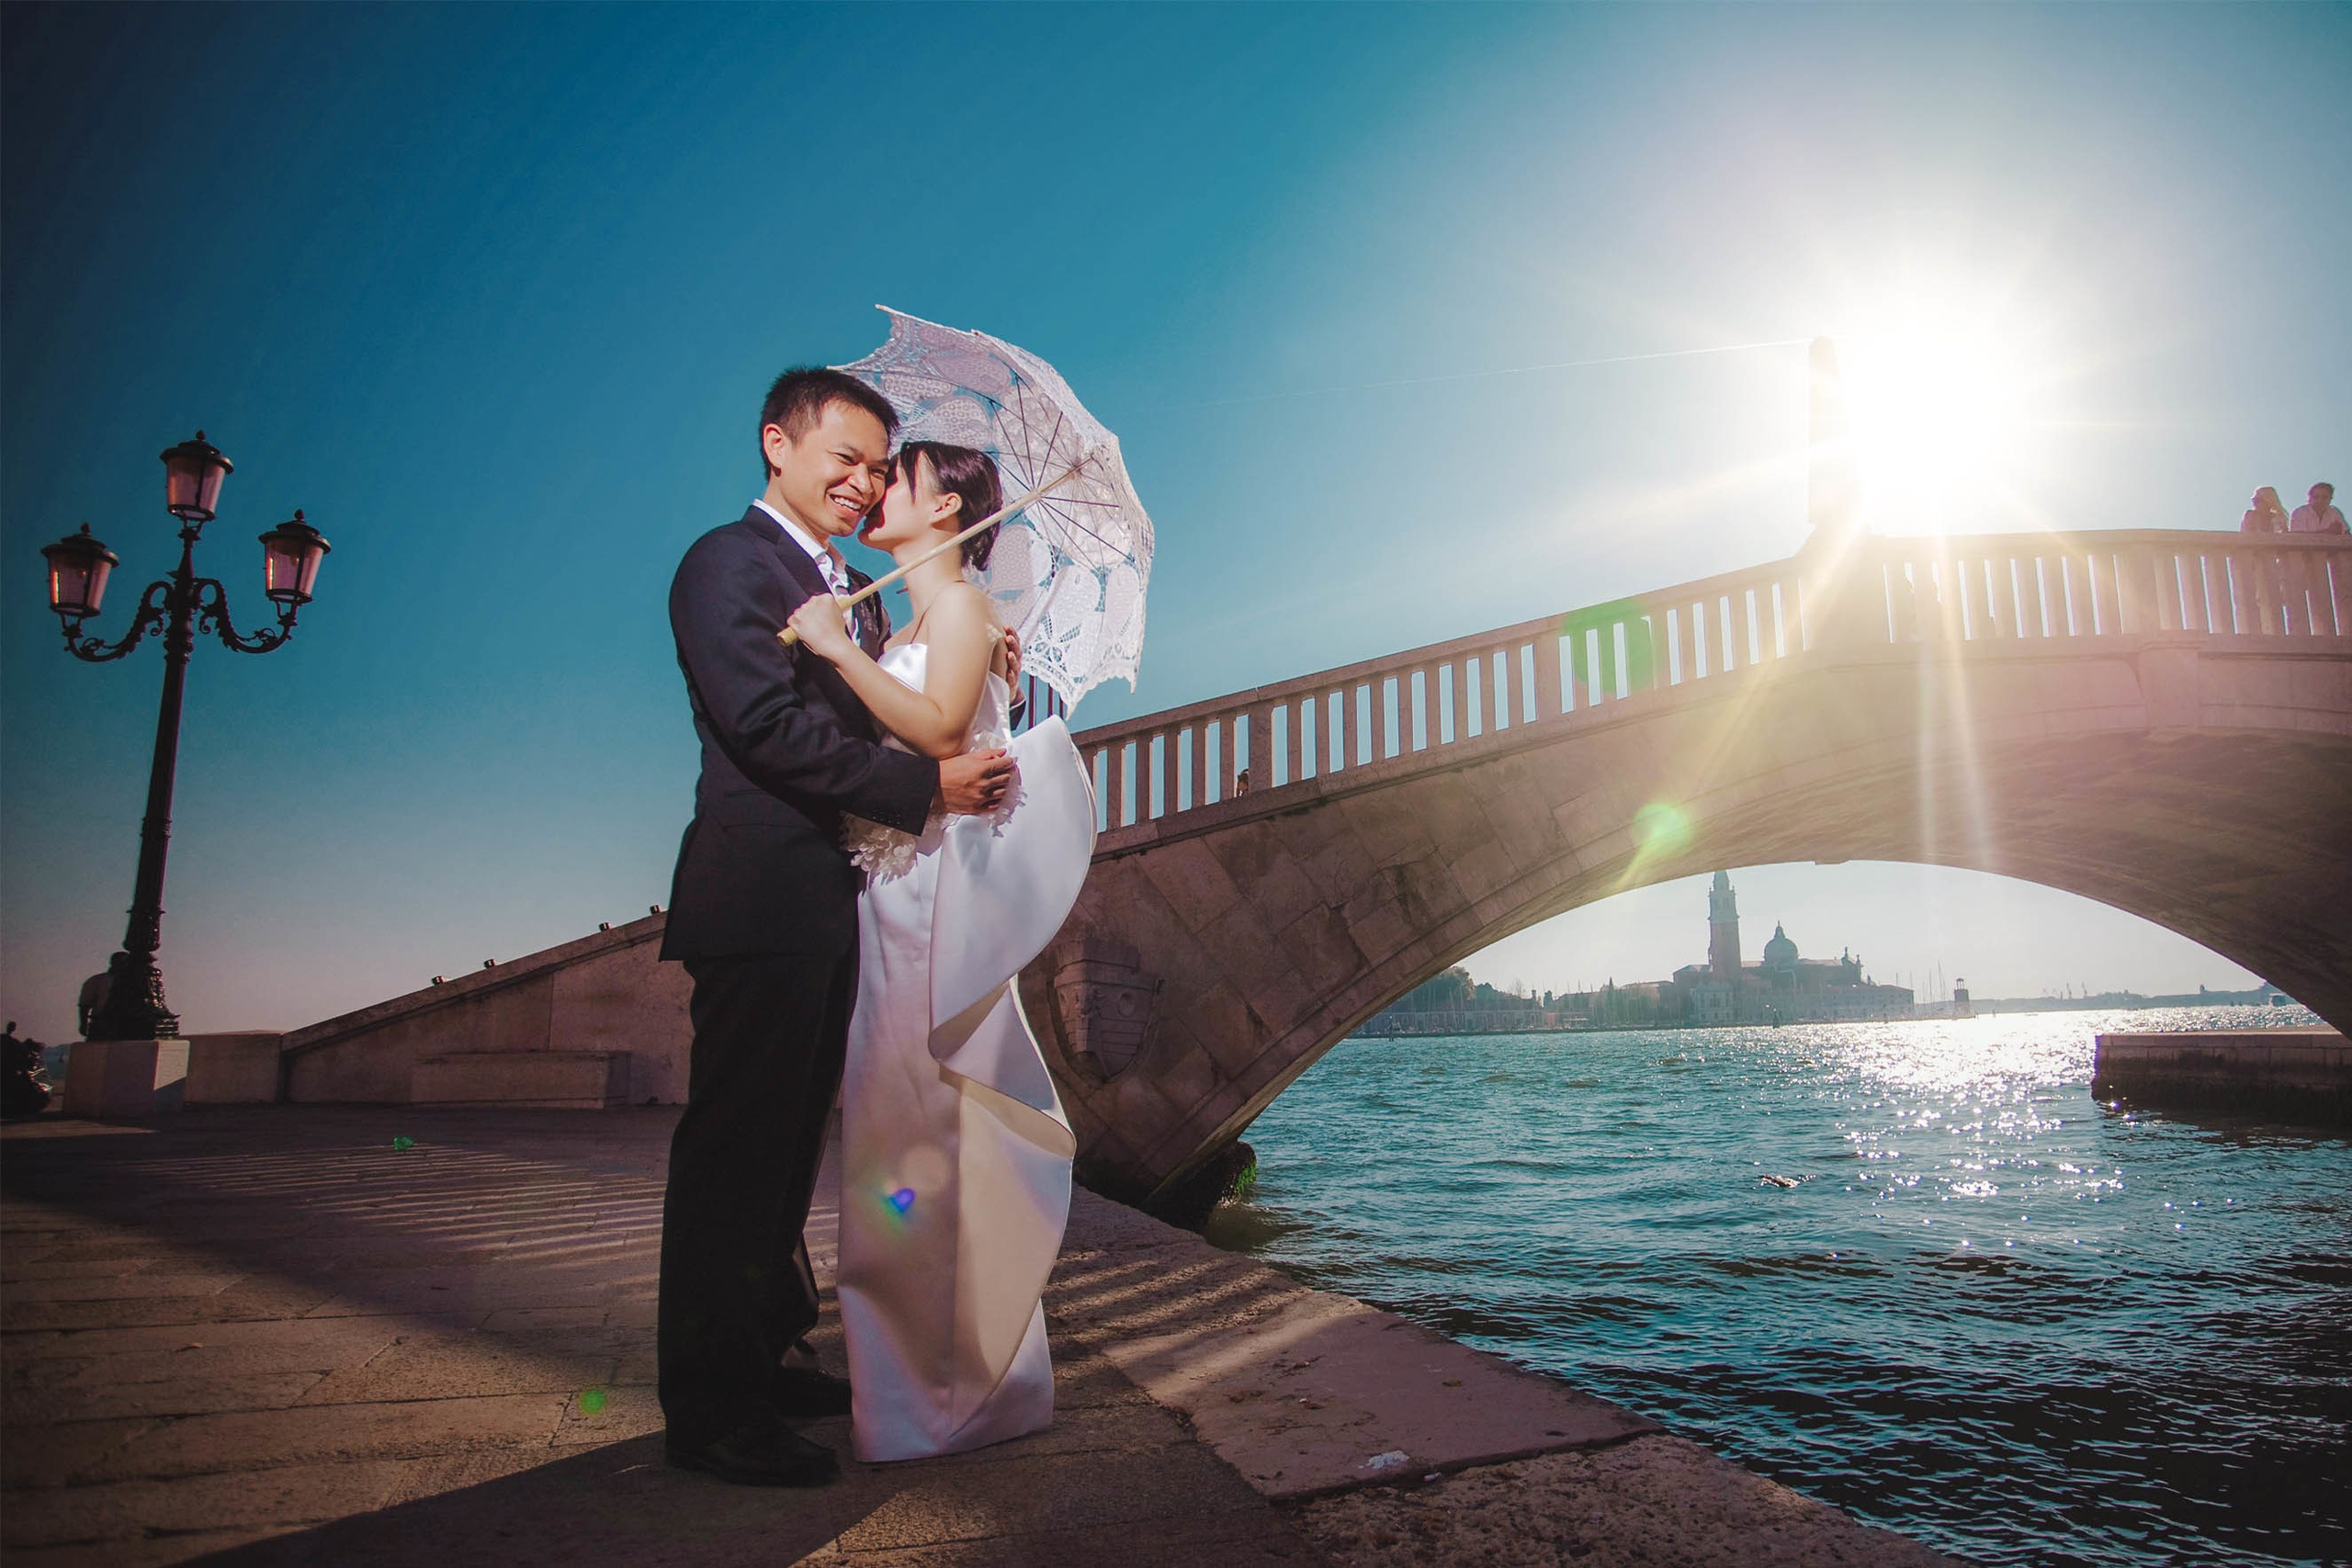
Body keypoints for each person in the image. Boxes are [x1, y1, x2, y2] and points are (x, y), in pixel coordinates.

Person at [658, 369, 1017, 1489]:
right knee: (736, 1159)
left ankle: (763, 1358)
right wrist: (927, 793)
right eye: (844, 460)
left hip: (834, 902)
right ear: (778, 444)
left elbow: (905, 686)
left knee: (784, 1161)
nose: (864, 485)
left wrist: (972, 643)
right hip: (760, 895)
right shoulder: (727, 562)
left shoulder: (858, 595)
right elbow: (764, 729)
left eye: (878, 467)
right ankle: (711, 1410)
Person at [786, 441, 1094, 1462]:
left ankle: (939, 1396)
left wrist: (836, 651)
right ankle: (940, 1386)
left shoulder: (957, 608)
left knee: (911, 1141)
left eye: (898, 477)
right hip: (894, 892)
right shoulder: (923, 616)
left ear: (946, 500)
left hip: (924, 905)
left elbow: (934, 730)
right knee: (898, 1143)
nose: (877, 491)